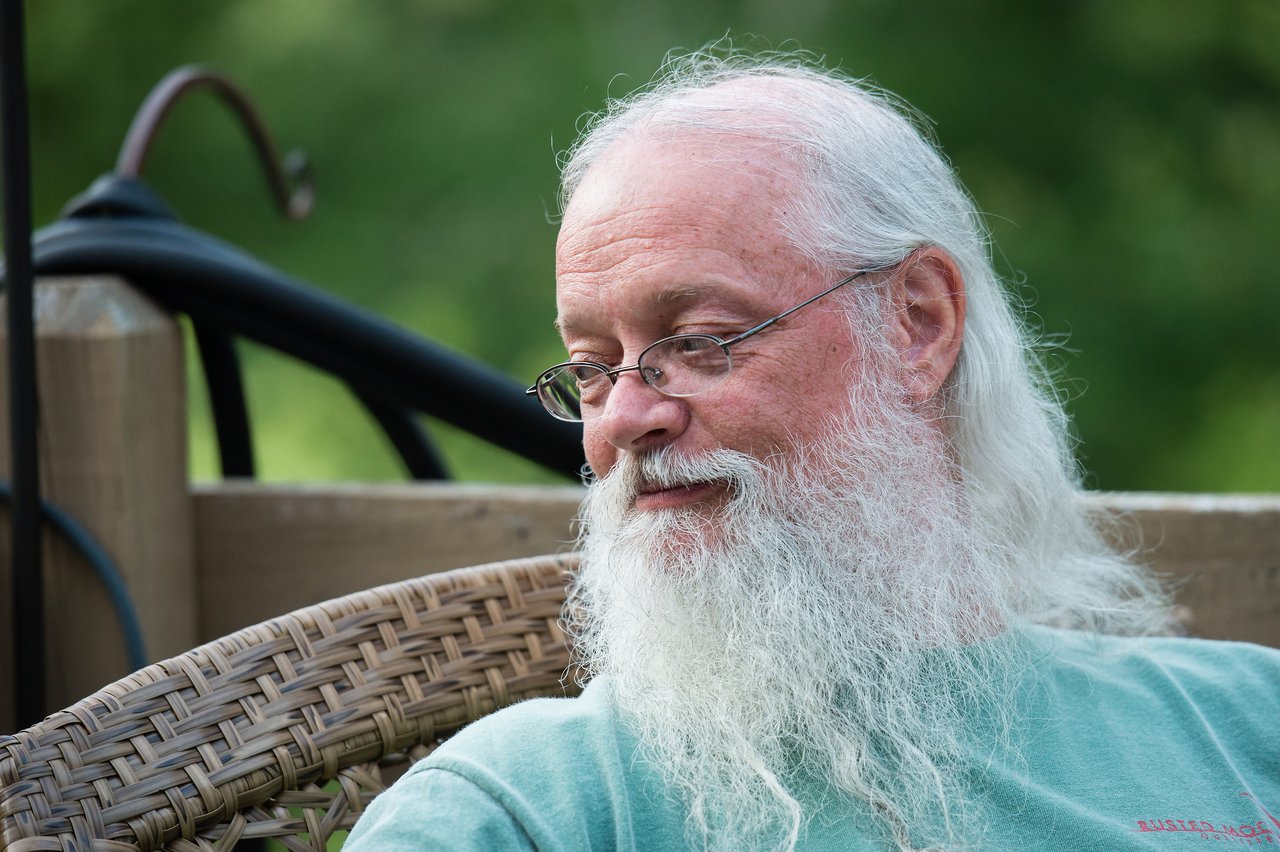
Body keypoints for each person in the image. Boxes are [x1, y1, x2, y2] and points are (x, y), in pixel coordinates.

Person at [346, 48, 1280, 851]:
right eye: (591, 368)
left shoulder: (1246, 725)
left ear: (918, 324)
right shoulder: (523, 809)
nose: (622, 418)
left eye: (701, 341)